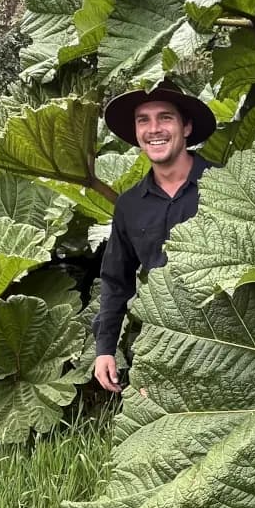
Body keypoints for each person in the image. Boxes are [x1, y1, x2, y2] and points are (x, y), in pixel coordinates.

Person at [92, 80, 217, 392]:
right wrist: (105, 348)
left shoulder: (225, 184)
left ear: (186, 127)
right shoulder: (129, 205)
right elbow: (116, 281)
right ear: (136, 133)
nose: (154, 129)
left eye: (165, 117)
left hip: (229, 336)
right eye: (143, 120)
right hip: (163, 339)